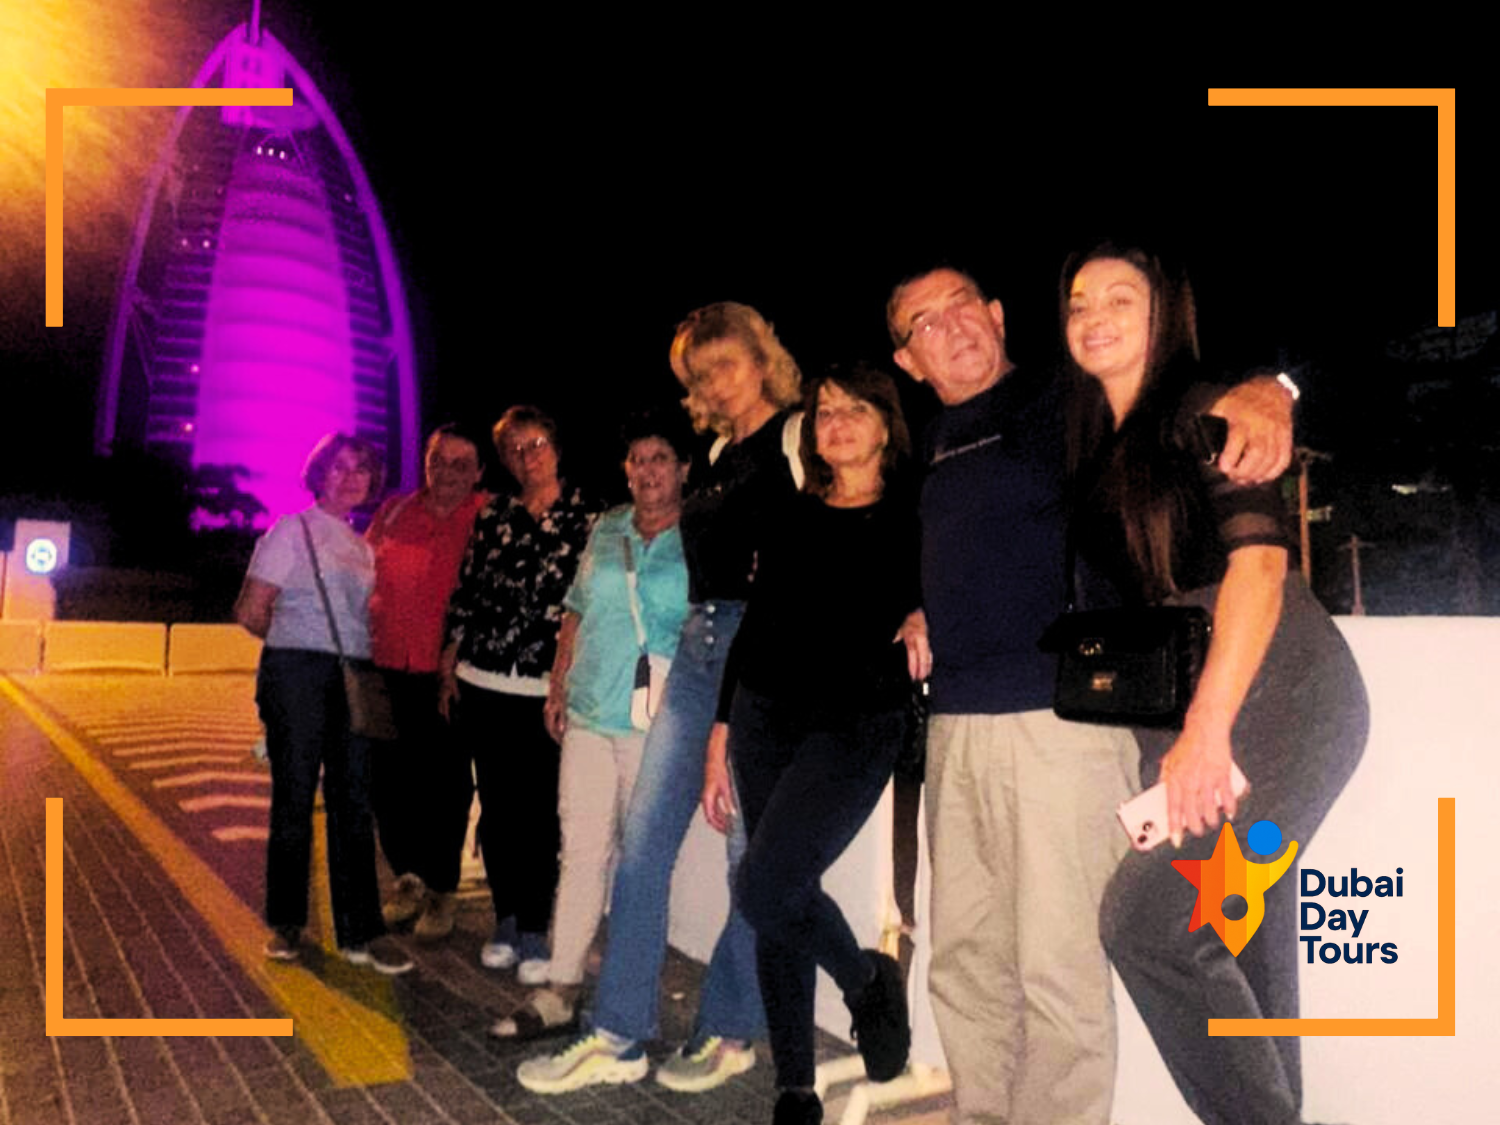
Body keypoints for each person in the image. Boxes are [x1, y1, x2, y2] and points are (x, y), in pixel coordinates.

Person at [885, 266, 1295, 1125]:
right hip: (956, 722)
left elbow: (1174, 382)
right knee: (964, 959)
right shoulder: (931, 442)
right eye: (924, 322)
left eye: (963, 305)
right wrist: (923, 605)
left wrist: (1272, 387)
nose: (951, 326)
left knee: (1059, 966)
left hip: (1060, 722)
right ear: (908, 361)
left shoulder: (1066, 404)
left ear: (999, 315)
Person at [1062, 243, 1368, 1125]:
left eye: (1121, 297)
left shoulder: (1202, 409)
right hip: (1196, 697)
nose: (1094, 316)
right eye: (1079, 302)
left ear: (1166, 313)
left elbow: (1261, 566)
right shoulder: (1100, 440)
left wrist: (1206, 729)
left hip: (1270, 693)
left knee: (1149, 923)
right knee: (1242, 928)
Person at [519, 301, 799, 1095]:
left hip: (761, 650)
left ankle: (730, 1028)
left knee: (748, 855)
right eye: (700, 371)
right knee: (641, 851)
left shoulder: (798, 437)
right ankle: (619, 1033)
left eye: (728, 361)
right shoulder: (714, 452)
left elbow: (839, 527)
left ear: (762, 358)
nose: (718, 380)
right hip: (696, 651)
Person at [722, 364, 923, 1125]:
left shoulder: (916, 512)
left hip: (858, 721)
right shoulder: (792, 513)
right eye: (824, 411)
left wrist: (927, 612)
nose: (834, 423)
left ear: (886, 425)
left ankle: (865, 981)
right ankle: (796, 1084)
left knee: (767, 884)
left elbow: (955, 586)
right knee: (781, 889)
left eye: (853, 409)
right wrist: (720, 728)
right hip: (764, 713)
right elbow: (754, 625)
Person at [490, 409, 693, 1040]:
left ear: (684, 469)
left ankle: (629, 997)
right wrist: (559, 685)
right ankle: (561, 987)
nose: (648, 470)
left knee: (640, 865)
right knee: (579, 853)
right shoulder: (607, 528)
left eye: (661, 458)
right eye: (638, 459)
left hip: (655, 724)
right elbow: (575, 610)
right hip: (588, 715)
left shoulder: (701, 535)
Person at [234, 432, 413, 974]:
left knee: (353, 801)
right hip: (299, 673)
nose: (351, 477)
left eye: (361, 468)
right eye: (339, 467)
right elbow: (250, 610)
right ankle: (288, 924)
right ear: (319, 474)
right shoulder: (292, 530)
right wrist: (296, 647)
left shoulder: (361, 544)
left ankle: (362, 931)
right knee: (293, 797)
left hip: (352, 674)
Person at [440, 406, 598, 980]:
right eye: (514, 449)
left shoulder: (590, 516)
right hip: (485, 678)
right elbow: (467, 590)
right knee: (499, 809)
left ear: (555, 446)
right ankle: (505, 918)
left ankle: (535, 925)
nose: (527, 457)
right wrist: (448, 663)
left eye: (536, 444)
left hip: (548, 685)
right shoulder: (494, 515)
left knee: (542, 811)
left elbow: (592, 604)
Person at [365, 424, 488, 942]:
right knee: (388, 781)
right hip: (384, 666)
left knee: (446, 785)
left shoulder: (490, 517)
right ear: (425, 462)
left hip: (449, 677)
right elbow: (361, 574)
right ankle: (408, 879)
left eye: (462, 464)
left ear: (479, 473)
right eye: (439, 460)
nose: (448, 472)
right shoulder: (395, 512)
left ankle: (441, 888)